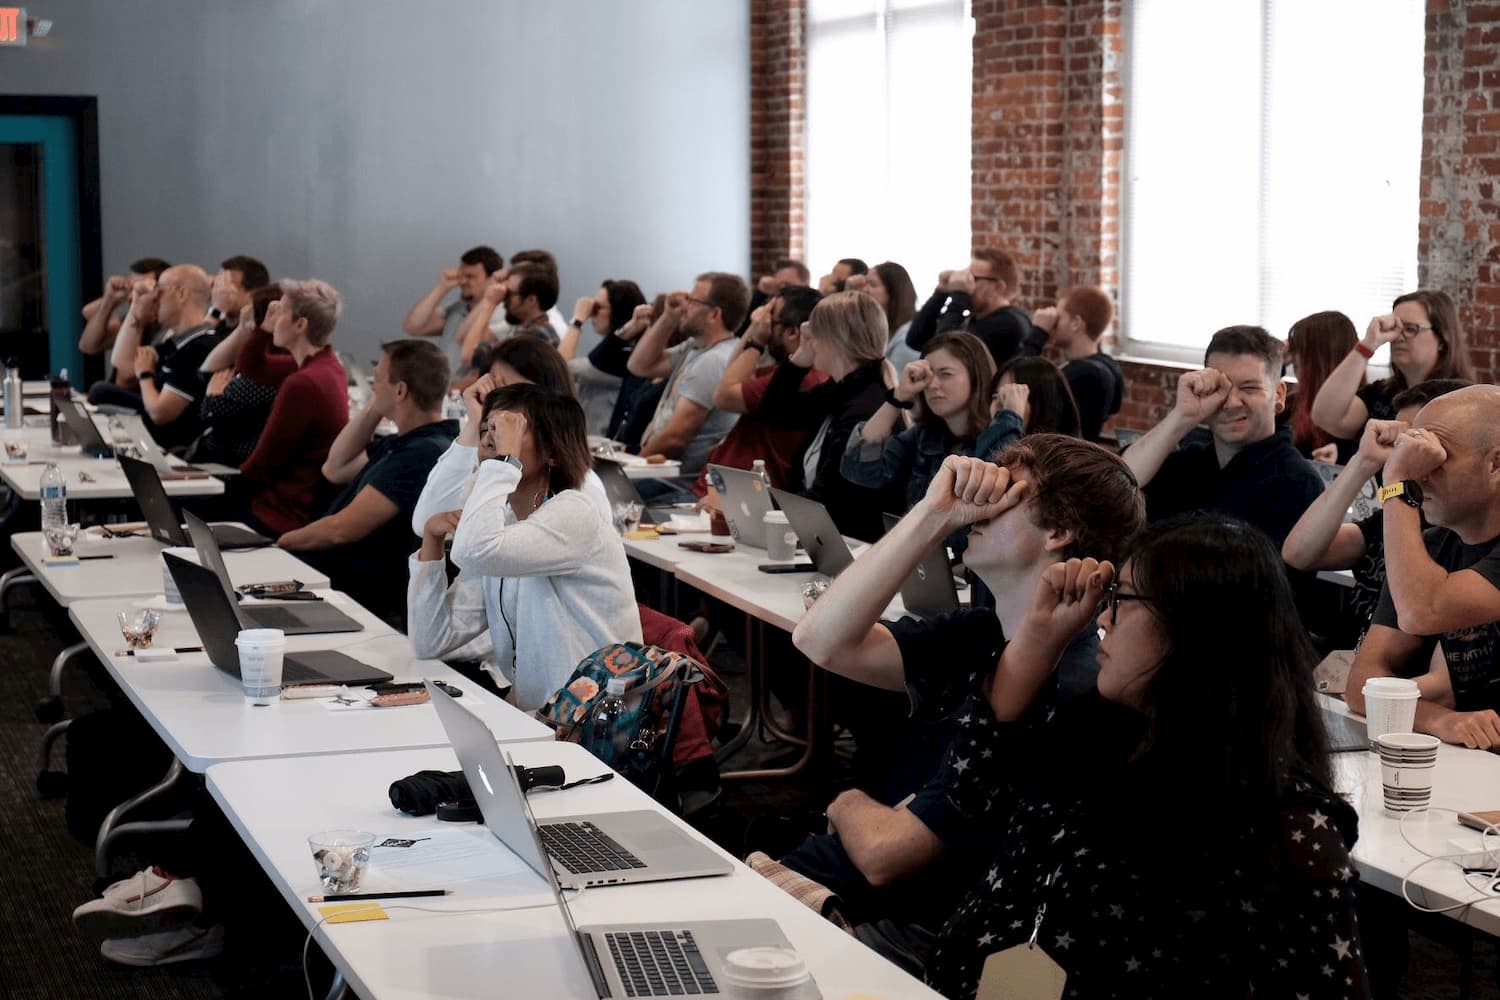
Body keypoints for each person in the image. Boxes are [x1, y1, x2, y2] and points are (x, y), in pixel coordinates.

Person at [917, 513, 1367, 998]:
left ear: (1193, 626)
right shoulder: (1100, 728)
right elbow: (969, 792)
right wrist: (1039, 638)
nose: (1103, 618)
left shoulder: (1284, 826)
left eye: (1122, 600)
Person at [786, 440, 1146, 974]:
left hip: (899, 929)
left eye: (1006, 493)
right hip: (849, 879)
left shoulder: (1073, 683)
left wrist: (846, 802)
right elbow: (821, 641)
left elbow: (891, 856)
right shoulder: (980, 631)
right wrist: (934, 513)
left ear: (1058, 530)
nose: (982, 500)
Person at [408, 384, 641, 709]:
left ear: (553, 452)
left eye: (508, 432)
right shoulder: (503, 523)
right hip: (538, 717)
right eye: (488, 427)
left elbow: (473, 551)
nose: (490, 438)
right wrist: (431, 543)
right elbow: (431, 642)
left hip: (592, 723)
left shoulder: (575, 512)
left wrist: (502, 462)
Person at [1345, 384, 1500, 749]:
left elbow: (1421, 611)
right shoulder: (1432, 546)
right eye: (1415, 457)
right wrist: (1439, 719)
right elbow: (1362, 685)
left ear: (1496, 463)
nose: (1420, 474)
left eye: (1437, 458)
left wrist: (1396, 485)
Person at [279, 339, 457, 624]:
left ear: (400, 390)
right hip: (342, 585)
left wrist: (280, 545)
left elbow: (343, 529)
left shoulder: (423, 452)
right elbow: (335, 468)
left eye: (377, 380)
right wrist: (378, 407)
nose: (372, 387)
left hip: (361, 601)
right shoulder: (407, 442)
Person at [1282, 379, 1469, 645]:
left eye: (1424, 443)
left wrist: (1398, 482)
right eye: (1403, 444)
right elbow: (1298, 553)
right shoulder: (1393, 518)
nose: (1409, 455)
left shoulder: (1466, 536)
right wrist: (1362, 462)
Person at [1121, 325, 1323, 553]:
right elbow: (1116, 487)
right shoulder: (1186, 465)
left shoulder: (1296, 482)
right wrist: (1182, 417)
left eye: (1249, 388)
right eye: (1220, 388)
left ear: (1278, 395)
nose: (1232, 402)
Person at [754, 290, 896, 540]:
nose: (809, 341)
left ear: (834, 339)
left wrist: (760, 506)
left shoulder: (865, 404)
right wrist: (800, 358)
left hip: (848, 541)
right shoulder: (844, 388)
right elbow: (775, 412)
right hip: (827, 535)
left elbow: (830, 499)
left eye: (814, 336)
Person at [231, 280, 349, 533]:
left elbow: (263, 462)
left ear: (300, 324)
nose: (274, 318)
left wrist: (227, 480)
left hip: (282, 513)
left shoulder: (303, 382)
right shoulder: (326, 366)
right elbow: (250, 366)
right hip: (298, 505)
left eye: (280, 312)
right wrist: (263, 329)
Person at [841, 331, 996, 516]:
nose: (932, 385)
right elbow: (859, 471)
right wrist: (898, 398)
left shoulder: (998, 437)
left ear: (976, 377)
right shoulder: (924, 435)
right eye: (927, 376)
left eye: (945, 374)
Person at [694, 285, 826, 495]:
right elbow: (732, 372)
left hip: (739, 502)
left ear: (793, 332)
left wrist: (756, 341)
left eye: (769, 321)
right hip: (721, 496)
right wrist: (753, 330)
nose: (763, 325)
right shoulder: (781, 372)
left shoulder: (802, 380)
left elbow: (723, 395)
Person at [629, 272, 749, 478]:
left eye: (693, 301)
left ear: (714, 314)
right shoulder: (696, 347)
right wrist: (669, 317)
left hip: (681, 480)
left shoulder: (714, 361)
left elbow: (676, 438)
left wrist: (630, 470)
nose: (685, 307)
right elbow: (639, 366)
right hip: (664, 469)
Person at [1310, 290, 1475, 441]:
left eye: (1411, 329)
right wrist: (1368, 345)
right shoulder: (1382, 394)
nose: (1397, 337)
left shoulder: (1462, 400)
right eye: (1394, 328)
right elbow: (1325, 417)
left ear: (1442, 338)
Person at [101, 264, 221, 450]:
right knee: (103, 390)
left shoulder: (200, 346)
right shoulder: (176, 342)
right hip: (153, 436)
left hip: (173, 446)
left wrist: (145, 375)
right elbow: (122, 367)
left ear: (181, 294)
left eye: (160, 293)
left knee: (101, 391)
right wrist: (136, 310)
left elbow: (160, 413)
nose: (154, 300)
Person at [189, 283, 288, 467]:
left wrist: (211, 397)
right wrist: (243, 330)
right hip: (216, 461)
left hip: (231, 469)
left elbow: (211, 412)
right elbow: (206, 372)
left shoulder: (272, 369)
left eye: (249, 314)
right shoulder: (261, 359)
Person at [904, 247, 1040, 368]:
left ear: (999, 287)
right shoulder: (974, 318)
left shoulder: (1009, 322)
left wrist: (959, 295)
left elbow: (943, 354)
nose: (967, 284)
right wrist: (941, 292)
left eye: (973, 279)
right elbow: (915, 339)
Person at [1028, 284, 1123, 443]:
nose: (1053, 325)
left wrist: (1038, 333)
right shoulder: (1109, 366)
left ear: (1076, 323)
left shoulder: (1083, 372)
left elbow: (1018, 385)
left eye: (1060, 317)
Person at [560, 279, 647, 435]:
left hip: (601, 442)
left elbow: (561, 366)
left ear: (618, 311)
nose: (592, 314)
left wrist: (578, 320)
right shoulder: (614, 351)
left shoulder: (627, 354)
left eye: (597, 308)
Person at [401, 245, 506, 372]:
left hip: (469, 390)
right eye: (461, 275)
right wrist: (442, 287)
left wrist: (489, 298)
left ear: (492, 279)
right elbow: (413, 327)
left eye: (471, 277)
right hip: (442, 387)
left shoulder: (502, 314)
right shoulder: (457, 308)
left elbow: (466, 344)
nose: (462, 281)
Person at [973, 355, 1084, 462]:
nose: (1001, 404)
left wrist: (1009, 417)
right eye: (996, 395)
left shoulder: (1063, 461)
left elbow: (999, 469)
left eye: (1011, 395)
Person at [1285, 310, 1359, 463]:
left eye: (1299, 352)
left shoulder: (1361, 414)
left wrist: (1341, 471)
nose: (1292, 360)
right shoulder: (1291, 403)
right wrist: (1275, 362)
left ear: (1318, 359)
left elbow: (1392, 488)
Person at [78, 256, 170, 357]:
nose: (132, 296)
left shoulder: (170, 324)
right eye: (132, 288)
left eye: (141, 289)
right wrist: (110, 300)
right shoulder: (136, 320)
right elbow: (88, 346)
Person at [849, 260, 919, 373]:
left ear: (893, 291)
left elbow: (895, 384)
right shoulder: (876, 327)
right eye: (864, 284)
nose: (864, 290)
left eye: (872, 284)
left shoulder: (906, 336)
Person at [206, 255, 270, 333]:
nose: (218, 290)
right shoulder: (216, 325)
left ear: (253, 293)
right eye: (219, 282)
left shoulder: (259, 332)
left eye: (226, 284)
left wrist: (217, 310)